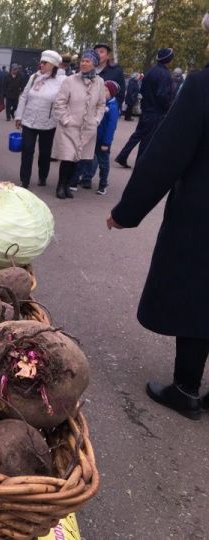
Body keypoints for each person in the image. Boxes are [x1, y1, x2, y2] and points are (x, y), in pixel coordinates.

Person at [106, 42, 209, 421]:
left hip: (202, 216)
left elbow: (167, 155)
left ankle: (185, 388)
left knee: (199, 296)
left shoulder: (202, 86)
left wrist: (126, 211)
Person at [51, 49, 105, 199]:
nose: (84, 63)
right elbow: (59, 102)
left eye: (88, 61)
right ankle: (60, 186)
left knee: (76, 159)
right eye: (82, 60)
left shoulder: (99, 82)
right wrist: (66, 120)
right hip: (69, 127)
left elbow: (101, 104)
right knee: (67, 158)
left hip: (87, 128)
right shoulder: (70, 80)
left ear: (94, 63)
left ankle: (68, 186)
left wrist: (96, 120)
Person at [115, 48, 174, 168]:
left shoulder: (150, 71)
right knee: (147, 139)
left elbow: (143, 90)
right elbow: (162, 95)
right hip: (156, 112)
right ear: (169, 60)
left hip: (146, 109)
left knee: (137, 135)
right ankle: (140, 166)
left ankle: (123, 156)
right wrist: (168, 108)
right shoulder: (165, 74)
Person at [14, 50, 64, 188]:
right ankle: (25, 180)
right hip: (29, 120)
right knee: (27, 149)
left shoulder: (61, 81)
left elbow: (64, 100)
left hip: (48, 123)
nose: (41, 65)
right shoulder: (34, 77)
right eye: (41, 62)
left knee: (45, 153)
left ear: (53, 65)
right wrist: (19, 116)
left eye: (45, 63)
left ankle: (43, 176)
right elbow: (24, 96)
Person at [79, 80, 120, 194]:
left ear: (112, 93)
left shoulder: (112, 108)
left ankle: (103, 184)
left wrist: (106, 143)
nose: (102, 92)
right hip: (93, 136)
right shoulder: (99, 104)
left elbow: (111, 127)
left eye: (106, 90)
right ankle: (86, 178)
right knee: (87, 158)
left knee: (103, 162)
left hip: (103, 140)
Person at [94, 43, 125, 110]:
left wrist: (114, 109)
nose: (98, 54)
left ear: (107, 56)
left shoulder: (116, 71)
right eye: (96, 52)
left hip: (106, 111)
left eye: (101, 52)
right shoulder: (87, 69)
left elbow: (120, 94)